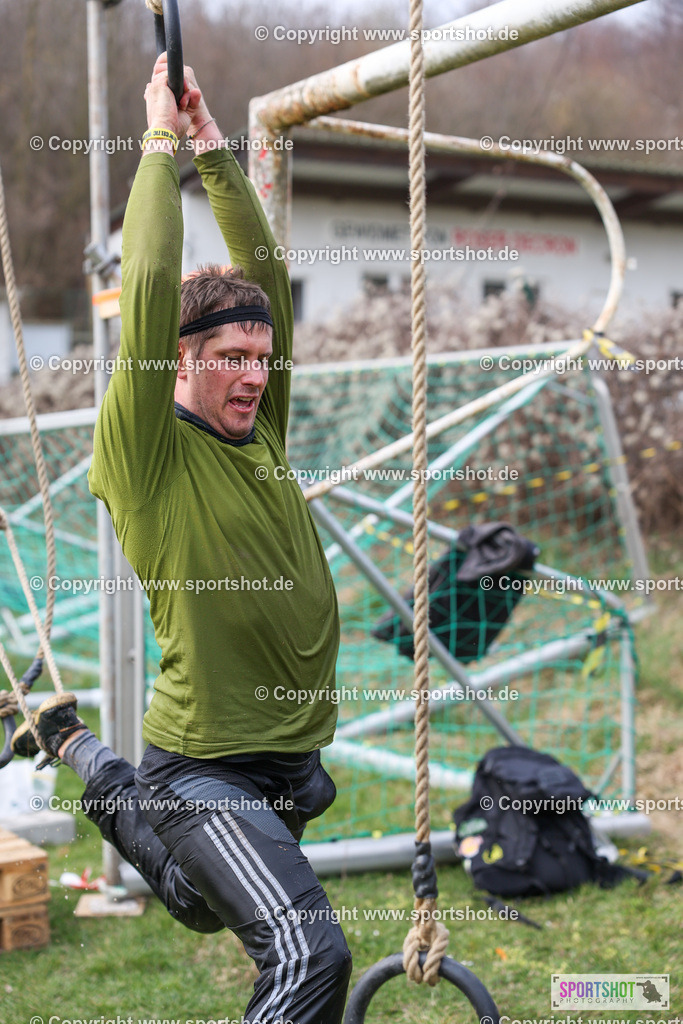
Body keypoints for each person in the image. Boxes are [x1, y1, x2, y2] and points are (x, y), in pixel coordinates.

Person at [12, 54, 351, 1024]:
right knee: (305, 951)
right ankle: (112, 769)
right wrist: (159, 139)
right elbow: (153, 275)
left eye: (259, 358)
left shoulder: (263, 427)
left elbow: (269, 280)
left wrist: (212, 144)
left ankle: (72, 747)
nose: (251, 375)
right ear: (176, 362)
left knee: (198, 901)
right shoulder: (147, 450)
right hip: (206, 767)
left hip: (290, 765)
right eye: (228, 358)